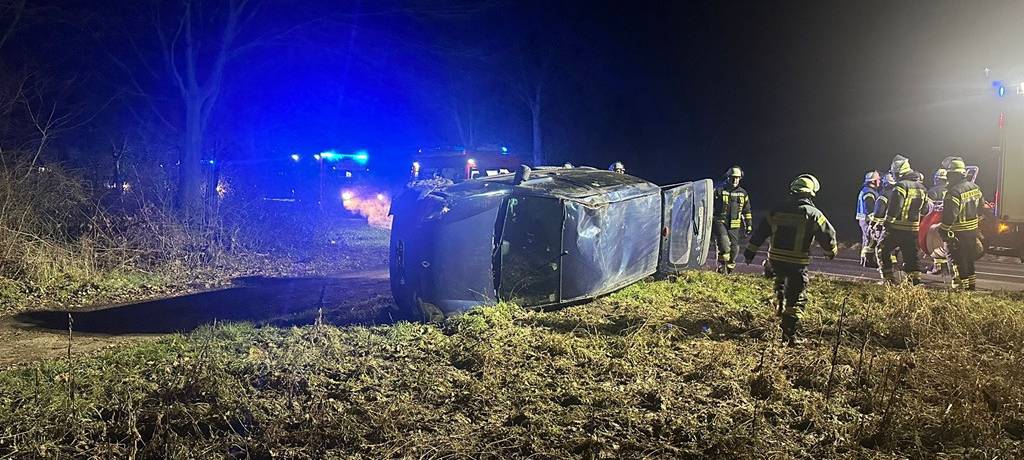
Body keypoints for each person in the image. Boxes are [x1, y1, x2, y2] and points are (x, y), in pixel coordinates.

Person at [744, 174, 837, 346]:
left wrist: (750, 252)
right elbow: (827, 234)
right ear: (810, 193)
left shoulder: (776, 211)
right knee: (797, 297)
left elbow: (761, 232)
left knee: (780, 280)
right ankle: (789, 336)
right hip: (797, 263)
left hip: (775, 259)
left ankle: (778, 299)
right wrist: (830, 251)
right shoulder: (813, 213)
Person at [877, 155, 930, 285]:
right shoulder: (922, 188)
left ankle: (888, 279)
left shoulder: (900, 186)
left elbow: (895, 207)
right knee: (911, 256)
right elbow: (925, 210)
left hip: (896, 228)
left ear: (899, 173)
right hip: (913, 229)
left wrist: (887, 223)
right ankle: (914, 282)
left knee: (882, 249)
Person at [940, 157, 984, 290]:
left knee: (957, 261)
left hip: (957, 234)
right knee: (969, 260)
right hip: (972, 232)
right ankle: (971, 287)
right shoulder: (975, 188)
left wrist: (943, 230)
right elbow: (981, 209)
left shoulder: (953, 192)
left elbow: (950, 215)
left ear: (952, 174)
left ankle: (960, 290)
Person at [712, 166, 753, 274]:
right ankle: (722, 267)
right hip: (720, 222)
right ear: (728, 177)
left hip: (734, 225)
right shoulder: (719, 190)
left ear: (740, 178)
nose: (735, 180)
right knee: (724, 246)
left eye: (737, 177)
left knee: (734, 249)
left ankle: (729, 268)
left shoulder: (743, 193)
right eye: (732, 177)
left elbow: (746, 211)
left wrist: (748, 225)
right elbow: (711, 206)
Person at [926, 168, 950, 275]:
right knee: (945, 244)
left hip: (935, 220)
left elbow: (928, 207)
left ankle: (938, 267)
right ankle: (947, 266)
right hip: (948, 220)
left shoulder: (933, 191)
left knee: (934, 244)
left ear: (937, 179)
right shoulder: (951, 190)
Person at [856, 171, 881, 266]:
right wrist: (874, 221)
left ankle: (865, 260)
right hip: (867, 220)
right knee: (870, 240)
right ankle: (867, 261)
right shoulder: (869, 192)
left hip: (864, 219)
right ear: (873, 181)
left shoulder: (867, 190)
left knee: (867, 239)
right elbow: (869, 208)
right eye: (878, 179)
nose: (880, 181)